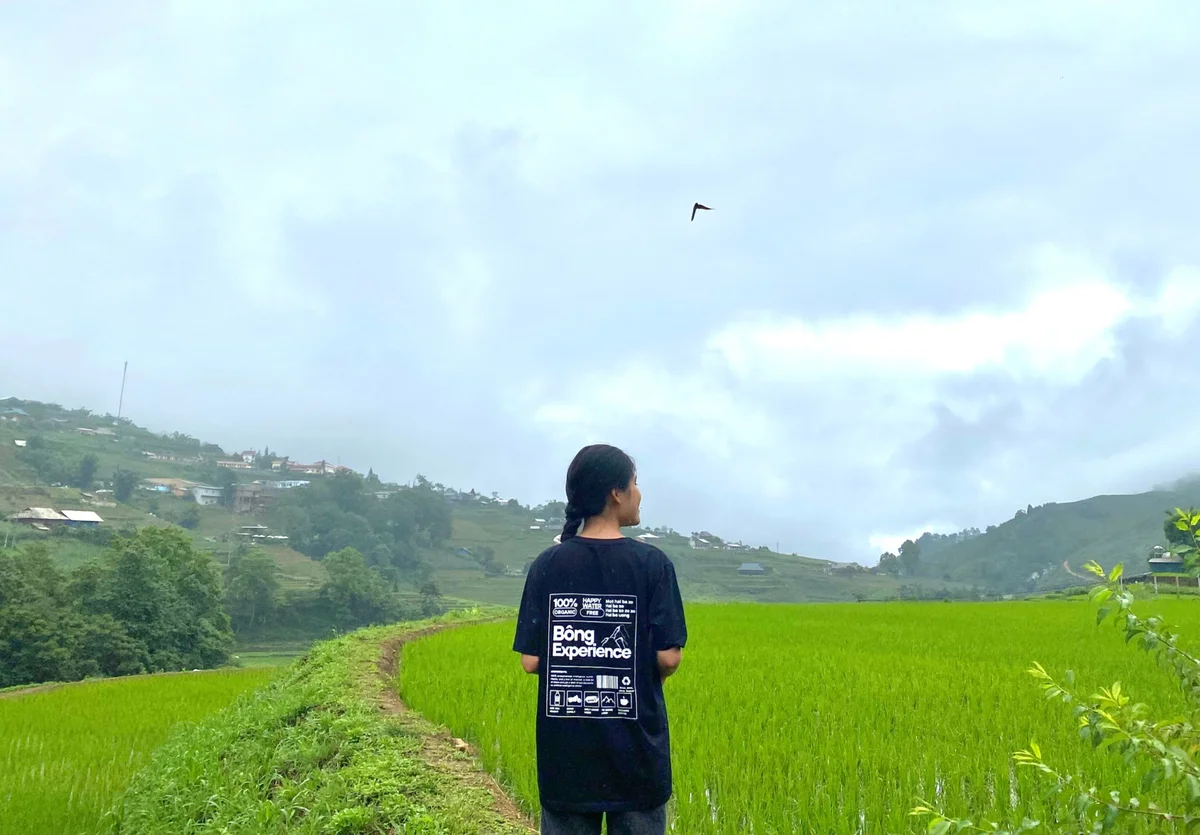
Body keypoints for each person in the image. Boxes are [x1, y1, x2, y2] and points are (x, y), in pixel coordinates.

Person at [513, 444, 688, 835]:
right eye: (635, 484)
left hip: (566, 758)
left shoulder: (547, 565)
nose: (639, 493)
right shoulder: (653, 564)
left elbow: (531, 661)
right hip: (637, 755)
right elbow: (670, 658)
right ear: (616, 492)